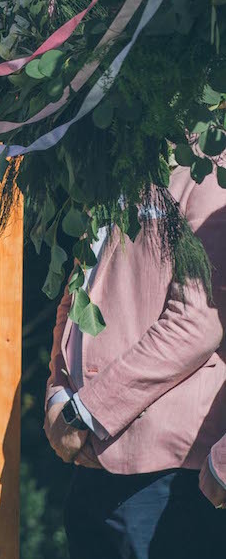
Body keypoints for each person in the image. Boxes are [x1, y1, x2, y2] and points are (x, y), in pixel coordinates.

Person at [43, 161, 226, 558]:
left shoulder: (209, 170)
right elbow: (76, 297)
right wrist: (58, 396)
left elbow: (196, 322)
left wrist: (87, 412)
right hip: (88, 467)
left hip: (161, 477)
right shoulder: (119, 162)